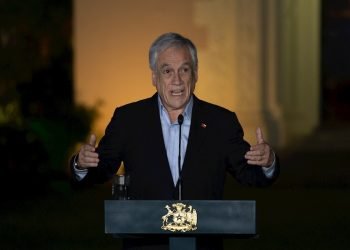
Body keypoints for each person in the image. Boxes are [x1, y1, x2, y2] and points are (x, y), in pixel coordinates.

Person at [70, 32, 279, 250]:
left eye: (184, 70)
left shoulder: (221, 121)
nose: (177, 80)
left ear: (195, 74)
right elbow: (101, 169)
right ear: (154, 77)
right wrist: (82, 164)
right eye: (167, 71)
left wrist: (267, 162)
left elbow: (249, 174)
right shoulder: (128, 119)